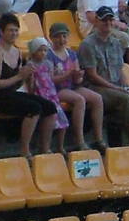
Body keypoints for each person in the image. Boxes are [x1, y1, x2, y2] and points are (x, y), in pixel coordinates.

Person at [77, 4, 129, 146]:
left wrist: (126, 86)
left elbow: (120, 69)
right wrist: (116, 87)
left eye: (110, 20)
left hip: (114, 84)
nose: (107, 23)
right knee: (124, 98)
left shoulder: (116, 42)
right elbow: (92, 75)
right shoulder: (87, 45)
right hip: (96, 87)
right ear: (96, 21)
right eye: (104, 20)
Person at [0, 12, 56, 157]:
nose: (14, 33)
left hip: (10, 92)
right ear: (1, 32)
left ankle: (45, 148)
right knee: (33, 108)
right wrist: (19, 76)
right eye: (10, 30)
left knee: (51, 108)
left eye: (16, 30)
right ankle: (25, 150)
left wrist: (27, 77)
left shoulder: (17, 52)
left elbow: (18, 81)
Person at [43, 18, 102, 150]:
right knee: (79, 100)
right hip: (57, 89)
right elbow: (50, 79)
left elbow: (77, 80)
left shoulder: (71, 54)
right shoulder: (49, 55)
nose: (61, 39)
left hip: (72, 86)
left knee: (97, 98)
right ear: (51, 38)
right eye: (57, 37)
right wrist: (68, 74)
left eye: (64, 36)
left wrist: (78, 75)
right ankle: (79, 140)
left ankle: (99, 138)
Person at [23, 34, 68, 151]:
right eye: (40, 50)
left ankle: (60, 146)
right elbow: (29, 84)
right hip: (40, 94)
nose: (43, 53)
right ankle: (45, 147)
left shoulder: (48, 64)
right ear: (33, 52)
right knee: (45, 121)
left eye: (45, 50)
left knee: (63, 121)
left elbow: (51, 79)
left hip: (51, 94)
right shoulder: (30, 65)